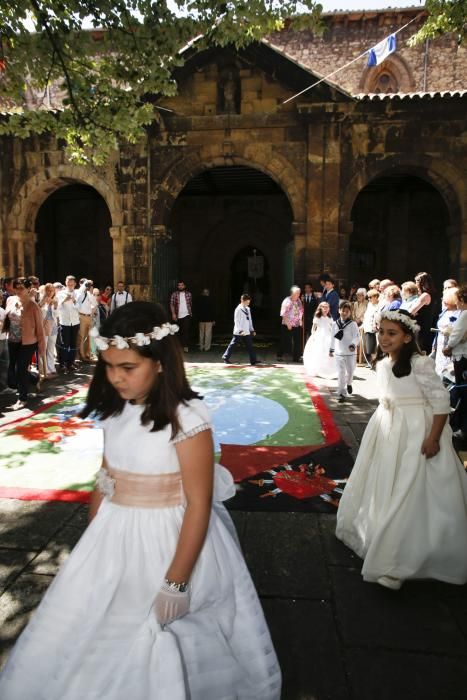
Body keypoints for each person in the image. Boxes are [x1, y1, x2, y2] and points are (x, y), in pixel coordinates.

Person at [0, 301, 281, 699]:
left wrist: (176, 582)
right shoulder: (116, 413)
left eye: (127, 368)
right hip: (115, 536)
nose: (115, 377)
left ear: (161, 362)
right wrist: (93, 539)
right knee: (99, 630)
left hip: (169, 540)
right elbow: (105, 479)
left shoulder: (188, 418)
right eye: (109, 366)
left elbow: (199, 503)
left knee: (160, 633)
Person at [336, 308, 467, 590]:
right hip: (387, 428)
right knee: (386, 480)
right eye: (381, 331)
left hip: (415, 430)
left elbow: (441, 402)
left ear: (408, 337)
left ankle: (398, 556)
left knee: (410, 483)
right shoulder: (383, 363)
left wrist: (433, 438)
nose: (383, 338)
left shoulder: (420, 363)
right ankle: (377, 534)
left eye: (392, 333)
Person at [4, 277, 46, 409]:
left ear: (29, 289)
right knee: (14, 369)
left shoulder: (33, 306)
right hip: (12, 340)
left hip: (28, 342)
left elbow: (40, 329)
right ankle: (34, 379)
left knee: (20, 369)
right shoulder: (10, 300)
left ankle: (23, 398)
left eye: (21, 288)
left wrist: (41, 348)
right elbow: (7, 319)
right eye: (16, 287)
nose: (18, 290)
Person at [443, 285, 467, 439]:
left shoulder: (465, 314)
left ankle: (463, 428)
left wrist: (449, 346)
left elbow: (458, 333)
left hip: (463, 357)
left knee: (464, 393)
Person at [329, 300, 360, 402]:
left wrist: (353, 344)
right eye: (343, 310)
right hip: (339, 352)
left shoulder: (353, 324)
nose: (345, 313)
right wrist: (331, 349)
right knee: (341, 373)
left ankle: (349, 383)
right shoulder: (335, 324)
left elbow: (357, 337)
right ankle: (342, 393)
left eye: (347, 311)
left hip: (350, 353)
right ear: (339, 310)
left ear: (350, 312)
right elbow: (333, 338)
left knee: (350, 372)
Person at [303, 301, 336, 379]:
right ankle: (317, 369)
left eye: (327, 307)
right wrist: (313, 336)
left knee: (327, 352)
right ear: (320, 308)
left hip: (327, 336)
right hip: (319, 336)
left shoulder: (330, 318)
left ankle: (327, 369)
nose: (325, 309)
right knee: (318, 352)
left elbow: (331, 328)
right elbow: (313, 329)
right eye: (323, 307)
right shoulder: (317, 317)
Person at [222, 293, 257, 365]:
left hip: (246, 331)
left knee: (250, 345)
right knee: (233, 344)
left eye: (249, 302)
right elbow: (236, 321)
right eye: (247, 301)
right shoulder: (238, 309)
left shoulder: (248, 309)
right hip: (239, 331)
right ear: (242, 301)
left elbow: (250, 320)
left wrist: (252, 329)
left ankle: (253, 360)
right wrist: (240, 330)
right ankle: (225, 357)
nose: (248, 303)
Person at [432, 287, 459, 377]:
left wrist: (449, 331)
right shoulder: (444, 311)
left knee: (449, 373)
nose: (442, 300)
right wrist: (434, 345)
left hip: (451, 346)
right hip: (440, 345)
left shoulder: (460, 312)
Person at [408, 271, 436, 353]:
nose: (415, 283)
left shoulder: (425, 295)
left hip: (421, 327)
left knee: (418, 351)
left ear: (422, 283)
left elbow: (411, 311)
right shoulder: (422, 295)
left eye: (416, 281)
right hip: (418, 326)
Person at [57, 275, 80, 372]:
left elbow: (80, 308)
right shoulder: (60, 293)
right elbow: (57, 307)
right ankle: (62, 364)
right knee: (64, 344)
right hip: (65, 322)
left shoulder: (78, 293)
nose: (70, 284)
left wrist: (74, 301)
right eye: (68, 282)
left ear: (74, 284)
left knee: (73, 343)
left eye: (72, 282)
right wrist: (64, 300)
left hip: (75, 322)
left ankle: (70, 363)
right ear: (66, 283)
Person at [277, 285, 303, 362]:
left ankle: (296, 357)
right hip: (287, 324)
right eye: (297, 293)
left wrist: (300, 320)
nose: (299, 294)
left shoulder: (298, 300)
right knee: (285, 340)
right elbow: (283, 313)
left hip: (296, 324)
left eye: (299, 293)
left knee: (297, 341)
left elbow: (301, 311)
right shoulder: (287, 301)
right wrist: (288, 324)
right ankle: (279, 355)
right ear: (292, 293)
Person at [39, 282, 59, 377]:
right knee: (43, 348)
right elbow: (39, 310)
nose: (50, 292)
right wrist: (44, 302)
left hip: (53, 326)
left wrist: (54, 305)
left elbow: (57, 314)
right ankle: (44, 369)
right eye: (48, 290)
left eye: (52, 290)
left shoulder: (55, 299)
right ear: (45, 290)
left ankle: (51, 368)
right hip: (44, 326)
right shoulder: (41, 299)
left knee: (51, 348)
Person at [77, 279, 98, 362]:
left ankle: (87, 355)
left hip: (89, 317)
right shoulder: (79, 292)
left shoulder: (89, 294)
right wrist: (85, 284)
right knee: (81, 337)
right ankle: (81, 355)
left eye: (89, 285)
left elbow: (95, 303)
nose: (88, 286)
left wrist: (91, 292)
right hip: (82, 316)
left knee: (88, 337)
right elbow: (79, 294)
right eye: (86, 285)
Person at [170, 280, 192, 353]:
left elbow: (190, 304)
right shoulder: (174, 294)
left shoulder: (189, 294)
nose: (180, 286)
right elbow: (172, 304)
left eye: (182, 285)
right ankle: (179, 347)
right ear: (177, 286)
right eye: (179, 285)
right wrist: (173, 314)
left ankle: (185, 347)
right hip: (178, 315)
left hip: (187, 314)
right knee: (178, 331)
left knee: (186, 331)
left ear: (184, 286)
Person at [362, 290, 380, 366]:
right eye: (368, 297)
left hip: (374, 329)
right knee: (369, 347)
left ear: (376, 297)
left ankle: (374, 364)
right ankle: (372, 363)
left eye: (370, 297)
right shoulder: (369, 304)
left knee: (374, 348)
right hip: (367, 328)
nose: (369, 299)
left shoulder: (379, 305)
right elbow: (366, 316)